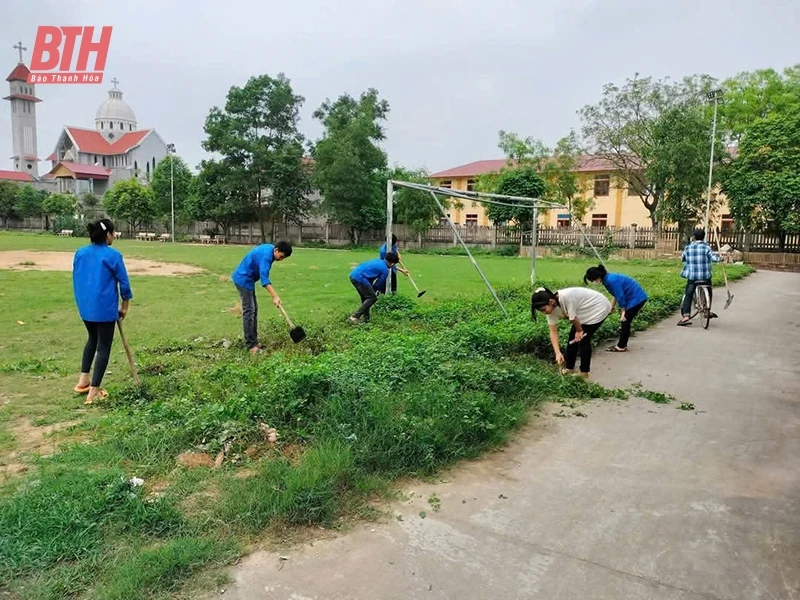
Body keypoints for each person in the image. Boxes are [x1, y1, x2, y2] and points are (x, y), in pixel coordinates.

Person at [72, 219, 132, 405]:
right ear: (108, 235)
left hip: (85, 306)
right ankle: (94, 392)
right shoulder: (113, 255)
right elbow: (124, 283)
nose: (114, 236)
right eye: (113, 233)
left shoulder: (80, 253)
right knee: (103, 346)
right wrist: (124, 307)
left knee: (92, 339)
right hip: (104, 309)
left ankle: (83, 381)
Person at [531, 286, 612, 380]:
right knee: (572, 341)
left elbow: (573, 318)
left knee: (583, 340)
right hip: (582, 312)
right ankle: (569, 368)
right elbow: (553, 331)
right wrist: (557, 352)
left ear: (551, 301)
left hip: (598, 307)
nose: (543, 313)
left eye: (543, 310)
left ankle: (584, 373)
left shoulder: (566, 297)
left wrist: (580, 331)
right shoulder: (551, 310)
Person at [231, 241, 292, 354]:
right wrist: (275, 296)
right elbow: (264, 280)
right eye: (281, 256)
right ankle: (251, 346)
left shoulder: (270, 250)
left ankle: (254, 342)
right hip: (243, 279)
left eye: (283, 258)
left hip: (248, 280)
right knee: (249, 312)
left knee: (254, 310)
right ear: (276, 250)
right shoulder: (266, 257)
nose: (281, 259)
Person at [584, 264, 648, 353]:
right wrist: (612, 307)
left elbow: (620, 296)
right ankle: (622, 344)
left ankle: (621, 346)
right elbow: (615, 294)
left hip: (636, 298)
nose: (594, 282)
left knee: (625, 321)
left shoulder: (611, 280)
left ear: (597, 277)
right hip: (634, 298)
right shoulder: (607, 280)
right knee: (625, 321)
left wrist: (623, 312)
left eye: (593, 280)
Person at [677, 228, 721, 326]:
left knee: (688, 294)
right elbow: (713, 258)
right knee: (709, 290)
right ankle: (707, 310)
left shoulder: (688, 248)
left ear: (694, 237)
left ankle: (686, 316)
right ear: (703, 237)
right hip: (704, 276)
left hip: (692, 277)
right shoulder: (706, 248)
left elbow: (683, 258)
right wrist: (720, 258)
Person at [349, 252, 400, 323]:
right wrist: (373, 291)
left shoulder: (379, 261)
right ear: (392, 263)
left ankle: (366, 319)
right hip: (360, 278)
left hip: (354, 275)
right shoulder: (385, 270)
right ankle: (354, 317)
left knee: (366, 298)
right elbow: (378, 284)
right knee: (372, 298)